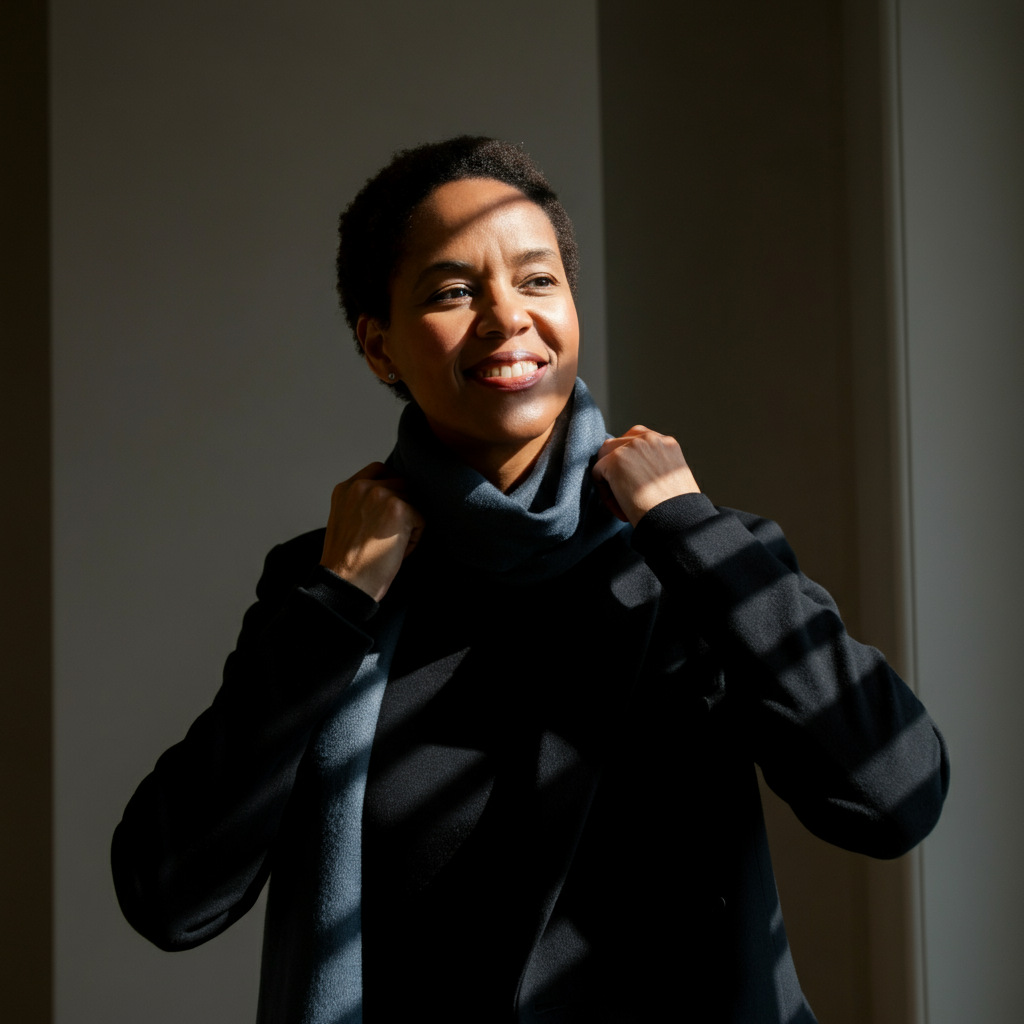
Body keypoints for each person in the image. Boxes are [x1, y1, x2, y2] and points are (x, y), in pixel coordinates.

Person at [111, 136, 949, 1024]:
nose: (507, 316)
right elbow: (171, 899)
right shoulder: (324, 586)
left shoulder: (699, 560)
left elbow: (893, 800)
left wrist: (690, 532)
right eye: (452, 291)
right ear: (378, 346)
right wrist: (335, 605)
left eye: (538, 280)